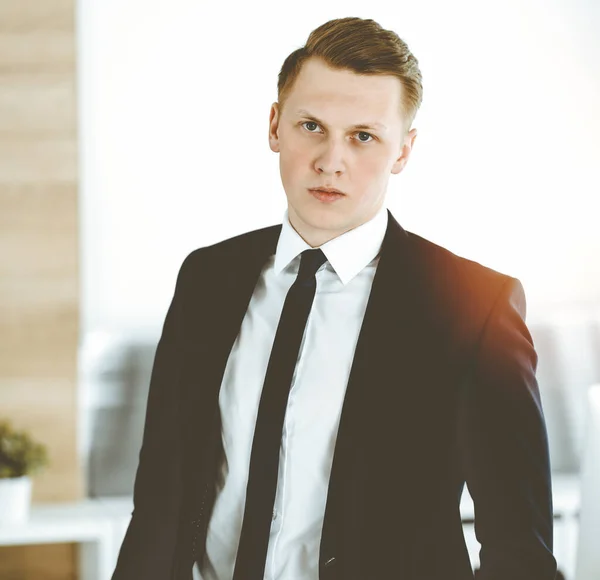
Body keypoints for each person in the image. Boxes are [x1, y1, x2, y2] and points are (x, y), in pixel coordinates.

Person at [111, 16, 557, 580]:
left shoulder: (475, 306)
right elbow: (159, 499)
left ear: (404, 150)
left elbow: (519, 546)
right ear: (275, 126)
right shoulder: (207, 278)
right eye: (311, 126)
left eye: (363, 136)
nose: (331, 160)